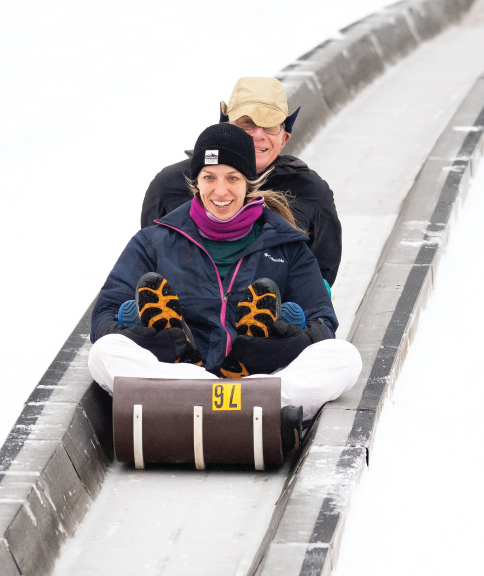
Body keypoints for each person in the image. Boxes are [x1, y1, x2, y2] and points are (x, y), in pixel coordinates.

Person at [90, 123, 361, 444]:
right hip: (176, 371)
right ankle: (225, 398)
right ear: (195, 182)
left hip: (257, 376)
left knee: (344, 357)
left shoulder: (285, 245)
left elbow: (323, 321)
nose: (220, 191)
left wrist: (286, 338)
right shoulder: (154, 241)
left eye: (232, 178)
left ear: (249, 182)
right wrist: (140, 331)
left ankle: (196, 400)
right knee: (104, 352)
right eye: (209, 178)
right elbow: (103, 318)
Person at [139, 77, 343, 286]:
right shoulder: (170, 185)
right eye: (247, 123)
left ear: (284, 138)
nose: (258, 135)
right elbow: (146, 264)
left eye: (270, 126)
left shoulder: (311, 193)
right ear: (224, 127)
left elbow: (320, 281)